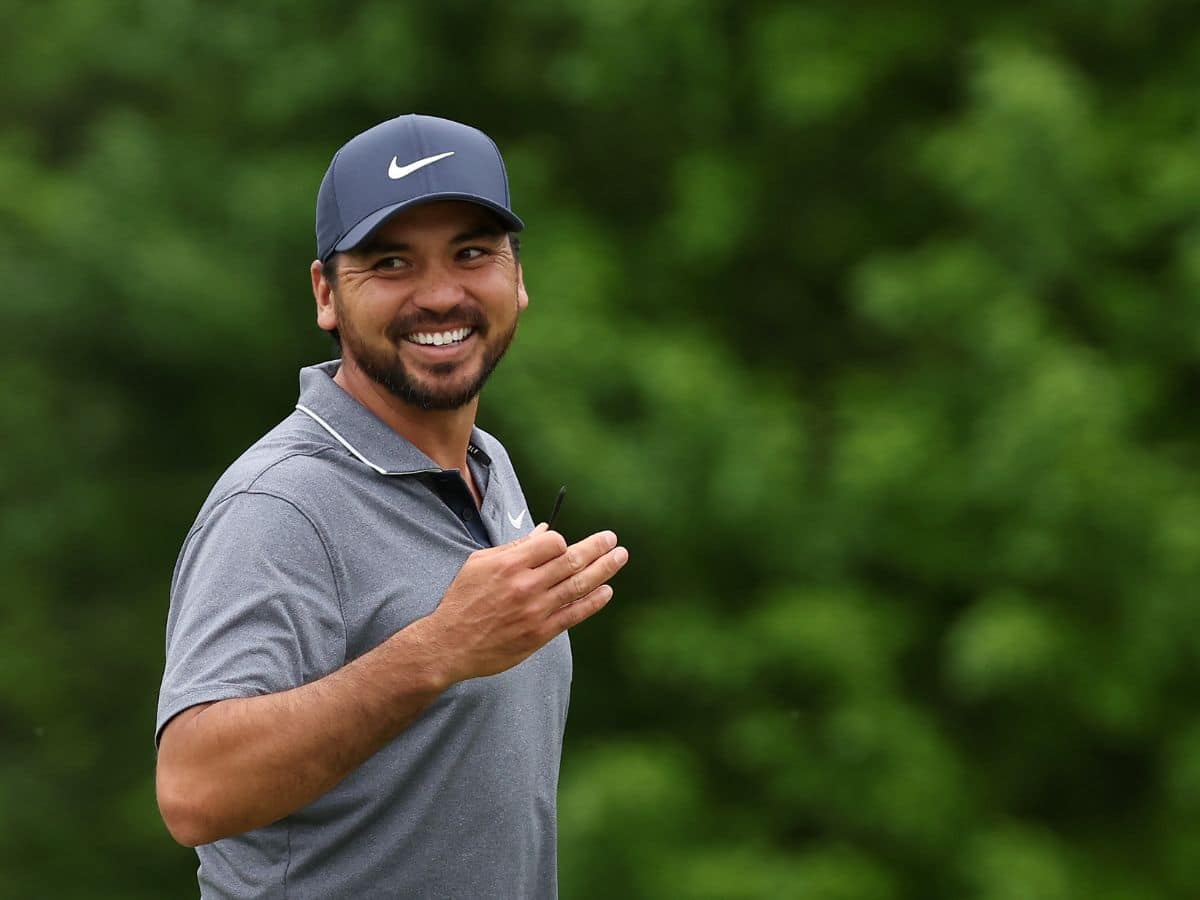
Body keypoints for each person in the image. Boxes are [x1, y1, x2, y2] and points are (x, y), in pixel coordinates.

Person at [155, 114, 629, 899]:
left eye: (472, 254)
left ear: (516, 276)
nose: (440, 294)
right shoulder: (279, 505)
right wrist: (439, 647)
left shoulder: (487, 465)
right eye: (391, 262)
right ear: (326, 294)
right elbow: (194, 791)